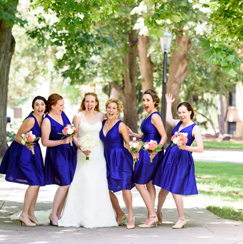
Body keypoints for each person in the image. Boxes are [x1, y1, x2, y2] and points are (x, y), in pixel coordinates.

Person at [58, 93, 118, 228]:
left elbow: (109, 128)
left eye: (92, 102)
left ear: (96, 103)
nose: (89, 104)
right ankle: (79, 215)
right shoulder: (78, 116)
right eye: (87, 102)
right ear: (84, 103)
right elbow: (74, 136)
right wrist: (81, 147)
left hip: (98, 153)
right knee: (83, 180)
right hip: (83, 152)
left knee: (98, 181)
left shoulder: (101, 116)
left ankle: (99, 216)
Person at [154, 94, 204, 229]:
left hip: (182, 161)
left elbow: (200, 148)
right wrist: (169, 103)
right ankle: (158, 214)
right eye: (180, 112)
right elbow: (168, 118)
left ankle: (181, 218)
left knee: (175, 190)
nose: (181, 115)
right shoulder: (177, 123)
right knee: (163, 189)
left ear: (190, 112)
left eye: (184, 112)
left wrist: (185, 147)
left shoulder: (194, 128)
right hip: (170, 157)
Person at [0, 96, 47, 226]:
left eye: (42, 104)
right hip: (23, 151)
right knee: (34, 182)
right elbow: (17, 137)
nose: (40, 107)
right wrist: (27, 144)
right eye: (37, 105)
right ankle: (24, 214)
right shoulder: (31, 120)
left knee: (38, 182)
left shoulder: (43, 119)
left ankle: (31, 214)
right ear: (33, 107)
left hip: (35, 152)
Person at [129, 89, 167, 227]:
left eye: (148, 100)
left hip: (150, 154)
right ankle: (152, 215)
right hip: (148, 150)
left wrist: (155, 151)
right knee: (149, 183)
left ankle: (152, 215)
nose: (145, 103)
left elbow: (163, 136)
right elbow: (148, 135)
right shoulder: (149, 115)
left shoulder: (155, 116)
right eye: (143, 100)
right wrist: (134, 134)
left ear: (154, 101)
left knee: (139, 183)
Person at [101, 99, 139, 229]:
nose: (111, 110)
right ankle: (120, 213)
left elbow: (127, 143)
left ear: (118, 111)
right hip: (106, 158)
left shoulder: (120, 125)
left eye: (114, 108)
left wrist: (134, 152)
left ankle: (131, 215)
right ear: (106, 109)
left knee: (125, 187)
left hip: (120, 158)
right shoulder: (102, 124)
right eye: (109, 108)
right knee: (104, 187)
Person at [40, 93, 75, 226]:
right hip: (57, 154)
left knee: (68, 184)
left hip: (69, 152)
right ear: (53, 106)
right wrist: (62, 141)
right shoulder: (47, 121)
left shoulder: (63, 114)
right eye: (60, 105)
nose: (63, 107)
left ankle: (59, 214)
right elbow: (45, 142)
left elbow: (71, 131)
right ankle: (53, 213)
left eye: (63, 104)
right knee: (64, 184)